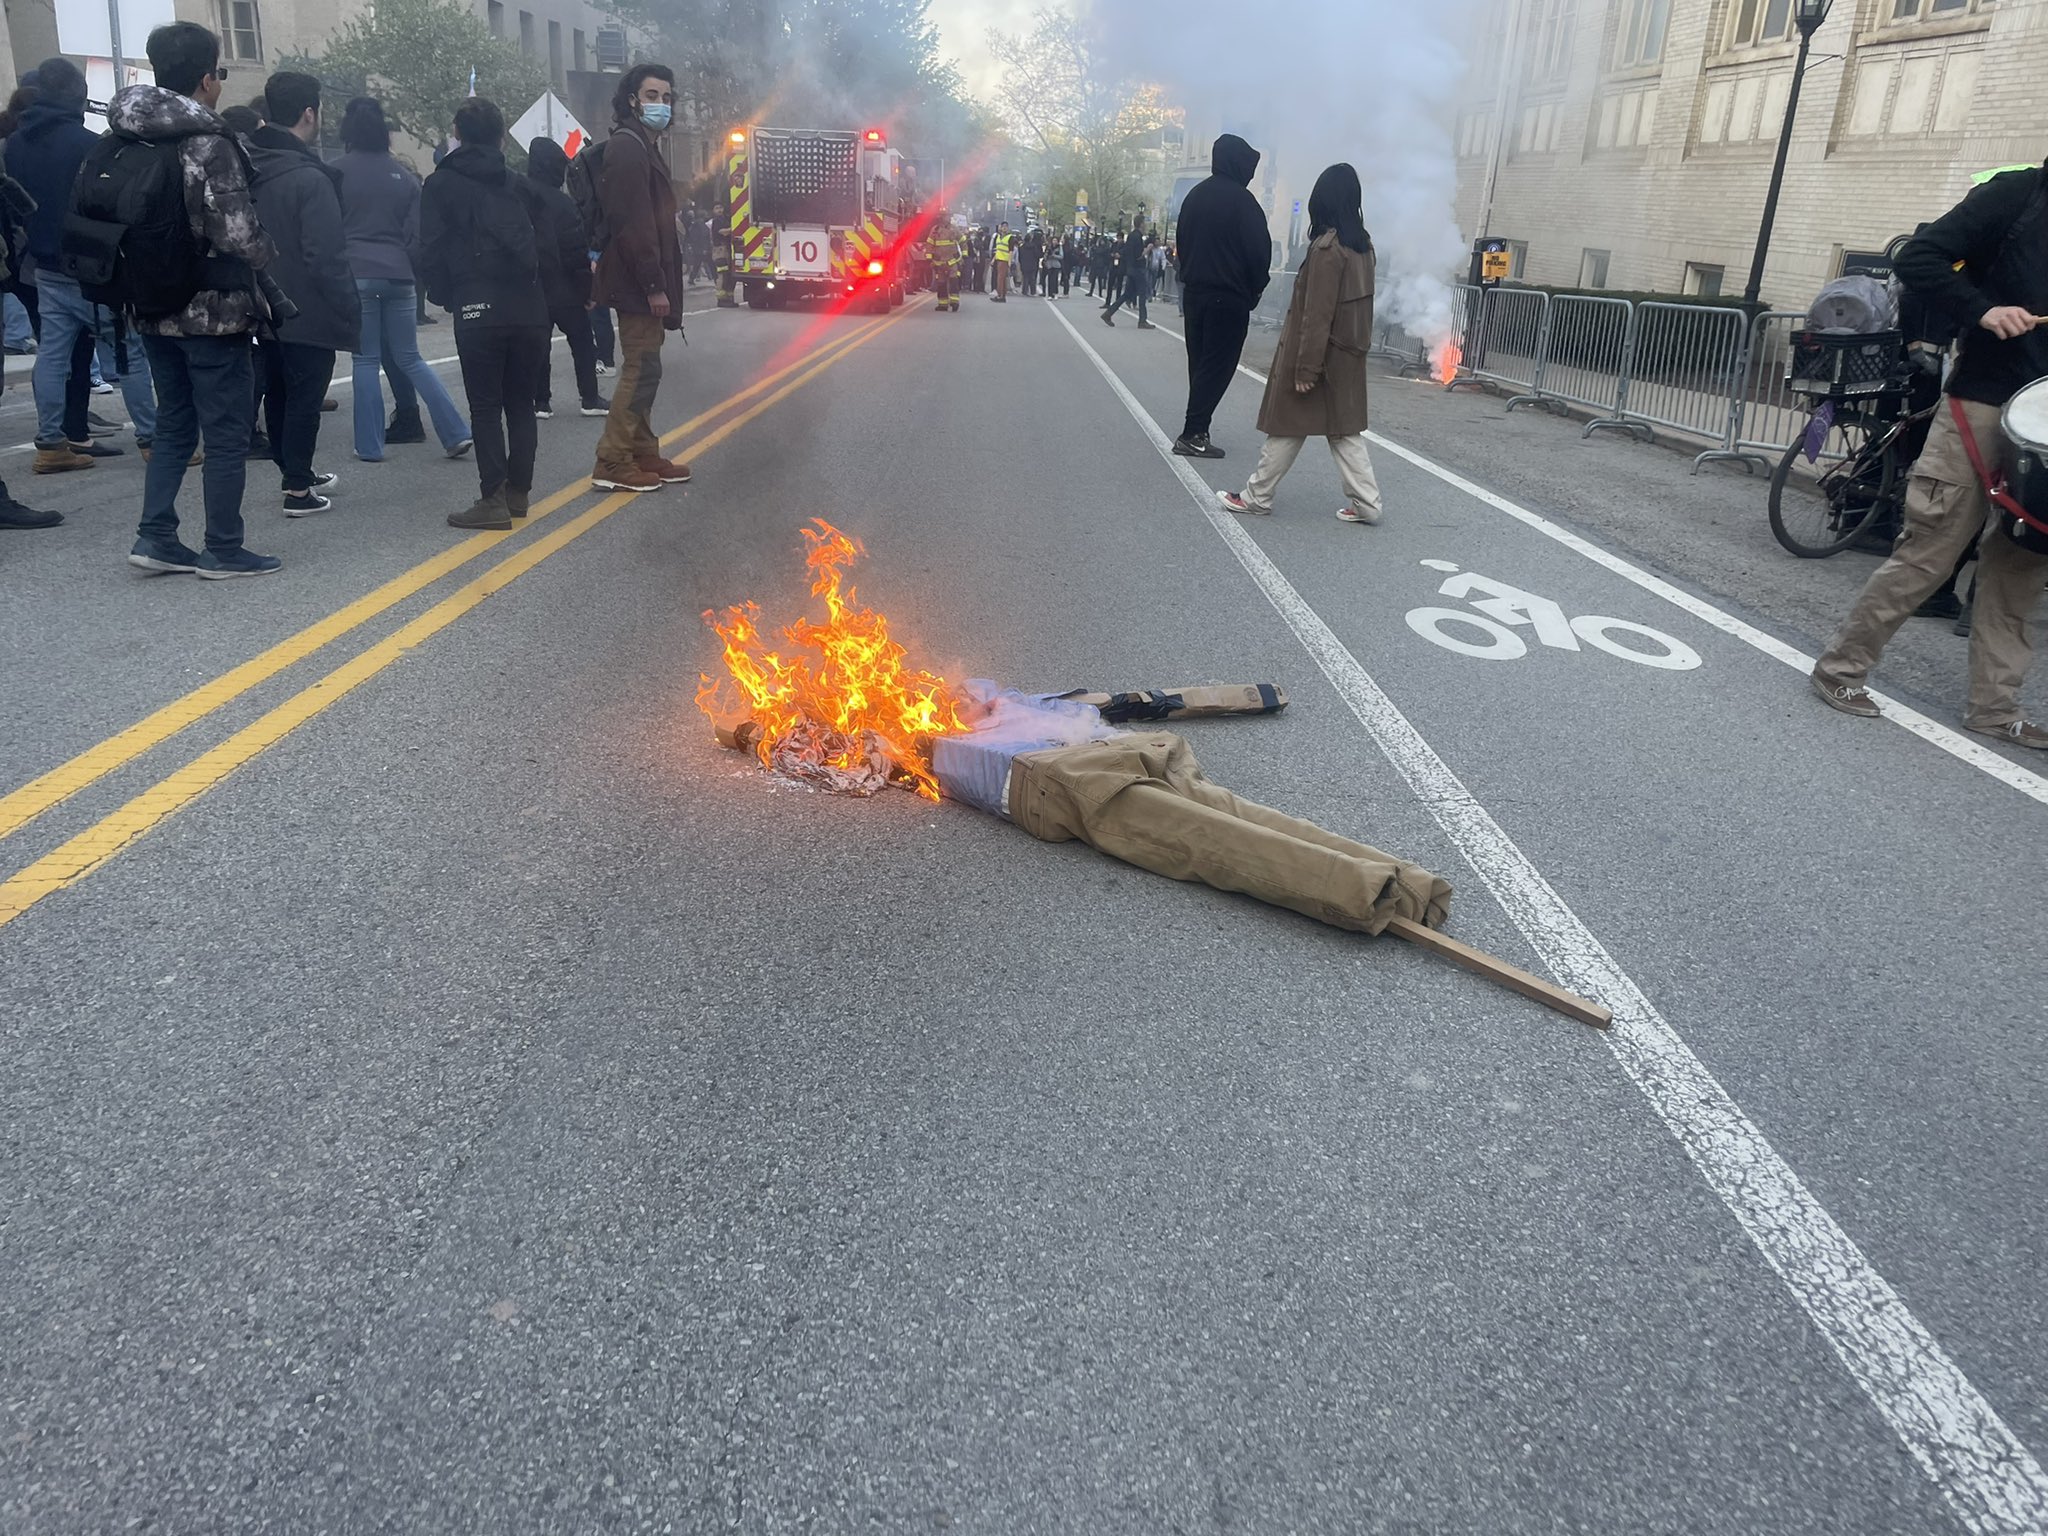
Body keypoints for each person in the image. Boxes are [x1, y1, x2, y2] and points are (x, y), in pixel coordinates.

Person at [1810, 163, 2048, 749]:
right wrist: (1983, 311)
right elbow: (1918, 259)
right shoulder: (2019, 194)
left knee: (2022, 568)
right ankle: (1841, 669)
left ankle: (1995, 709)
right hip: (1985, 403)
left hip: (2046, 424)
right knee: (1931, 550)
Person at [113, 22, 280, 577]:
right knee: (227, 429)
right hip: (213, 309)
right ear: (207, 79)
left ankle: (156, 535)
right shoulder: (209, 142)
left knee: (174, 424)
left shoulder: (123, 135)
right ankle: (224, 548)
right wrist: (265, 252)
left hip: (150, 305)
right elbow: (237, 234)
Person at [9, 57, 156, 474]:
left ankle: (51, 442)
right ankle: (152, 438)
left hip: (43, 264)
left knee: (53, 355)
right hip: (93, 266)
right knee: (129, 353)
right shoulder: (89, 145)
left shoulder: (15, 144)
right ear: (77, 94)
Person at [1218, 164, 1382, 527]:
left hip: (1317, 354)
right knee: (1342, 430)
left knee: (1287, 424)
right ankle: (1367, 503)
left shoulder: (1328, 249)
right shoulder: (1364, 247)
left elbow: (1316, 314)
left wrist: (1307, 368)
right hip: (1347, 355)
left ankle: (1257, 496)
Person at [415, 97, 550, 530]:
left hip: (476, 303)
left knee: (486, 405)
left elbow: (429, 249)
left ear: (456, 132)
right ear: (502, 134)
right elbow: (544, 246)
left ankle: (491, 497)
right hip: (529, 307)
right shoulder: (519, 184)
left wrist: (445, 294)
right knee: (522, 403)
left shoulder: (440, 184)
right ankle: (519, 493)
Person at [337, 97, 471, 461]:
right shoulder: (404, 177)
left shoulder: (334, 172)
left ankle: (369, 445)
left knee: (365, 359)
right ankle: (455, 431)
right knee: (410, 357)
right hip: (398, 274)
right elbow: (417, 236)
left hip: (357, 273)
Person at [246, 71, 356, 515]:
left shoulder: (245, 162)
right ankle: (298, 489)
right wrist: (348, 307)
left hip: (258, 300)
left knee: (277, 390)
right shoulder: (311, 178)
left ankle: (293, 469)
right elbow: (325, 255)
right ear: (309, 113)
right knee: (306, 396)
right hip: (306, 305)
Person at [590, 62, 689, 494]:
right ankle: (612, 460)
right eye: (652, 96)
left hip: (644, 279)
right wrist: (654, 285)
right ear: (632, 100)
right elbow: (633, 224)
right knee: (641, 367)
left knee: (648, 367)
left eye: (666, 97)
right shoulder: (628, 148)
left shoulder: (644, 146)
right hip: (637, 282)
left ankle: (642, 450)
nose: (661, 105)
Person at [1173, 133, 1271, 460]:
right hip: (1229, 298)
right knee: (1218, 365)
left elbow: (1182, 244)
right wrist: (1255, 289)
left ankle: (1198, 427)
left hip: (1194, 293)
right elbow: (1259, 253)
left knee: (1199, 362)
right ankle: (1193, 432)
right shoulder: (1244, 204)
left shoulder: (1194, 197)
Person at [523, 136, 607, 419]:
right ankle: (590, 397)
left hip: (531, 288)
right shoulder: (563, 203)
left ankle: (540, 401)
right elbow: (574, 251)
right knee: (582, 342)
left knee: (538, 346)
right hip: (564, 289)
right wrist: (588, 292)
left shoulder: (516, 196)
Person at [1102, 220, 1153, 329]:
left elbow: (1127, 250)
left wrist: (1120, 254)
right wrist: (1147, 249)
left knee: (1127, 294)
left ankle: (1108, 313)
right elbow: (1138, 255)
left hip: (1130, 268)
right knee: (1142, 294)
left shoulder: (1130, 236)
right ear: (1141, 224)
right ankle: (1142, 320)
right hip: (1138, 268)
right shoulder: (1138, 237)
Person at [925, 213, 960, 312]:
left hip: (952, 261)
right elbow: (929, 244)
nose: (948, 218)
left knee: (954, 282)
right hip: (939, 263)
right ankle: (943, 304)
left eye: (949, 216)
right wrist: (929, 257)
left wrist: (964, 255)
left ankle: (955, 302)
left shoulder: (954, 229)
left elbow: (962, 241)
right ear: (941, 218)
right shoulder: (935, 230)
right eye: (946, 216)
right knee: (941, 284)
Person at [991, 223, 1013, 302]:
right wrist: (994, 259)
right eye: (1003, 227)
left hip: (1004, 260)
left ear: (1007, 228)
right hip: (998, 259)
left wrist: (1009, 261)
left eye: (1005, 227)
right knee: (1001, 278)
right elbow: (998, 249)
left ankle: (1000, 295)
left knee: (1000, 278)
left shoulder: (1010, 237)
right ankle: (1002, 296)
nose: (1004, 228)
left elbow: (1011, 250)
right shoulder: (998, 237)